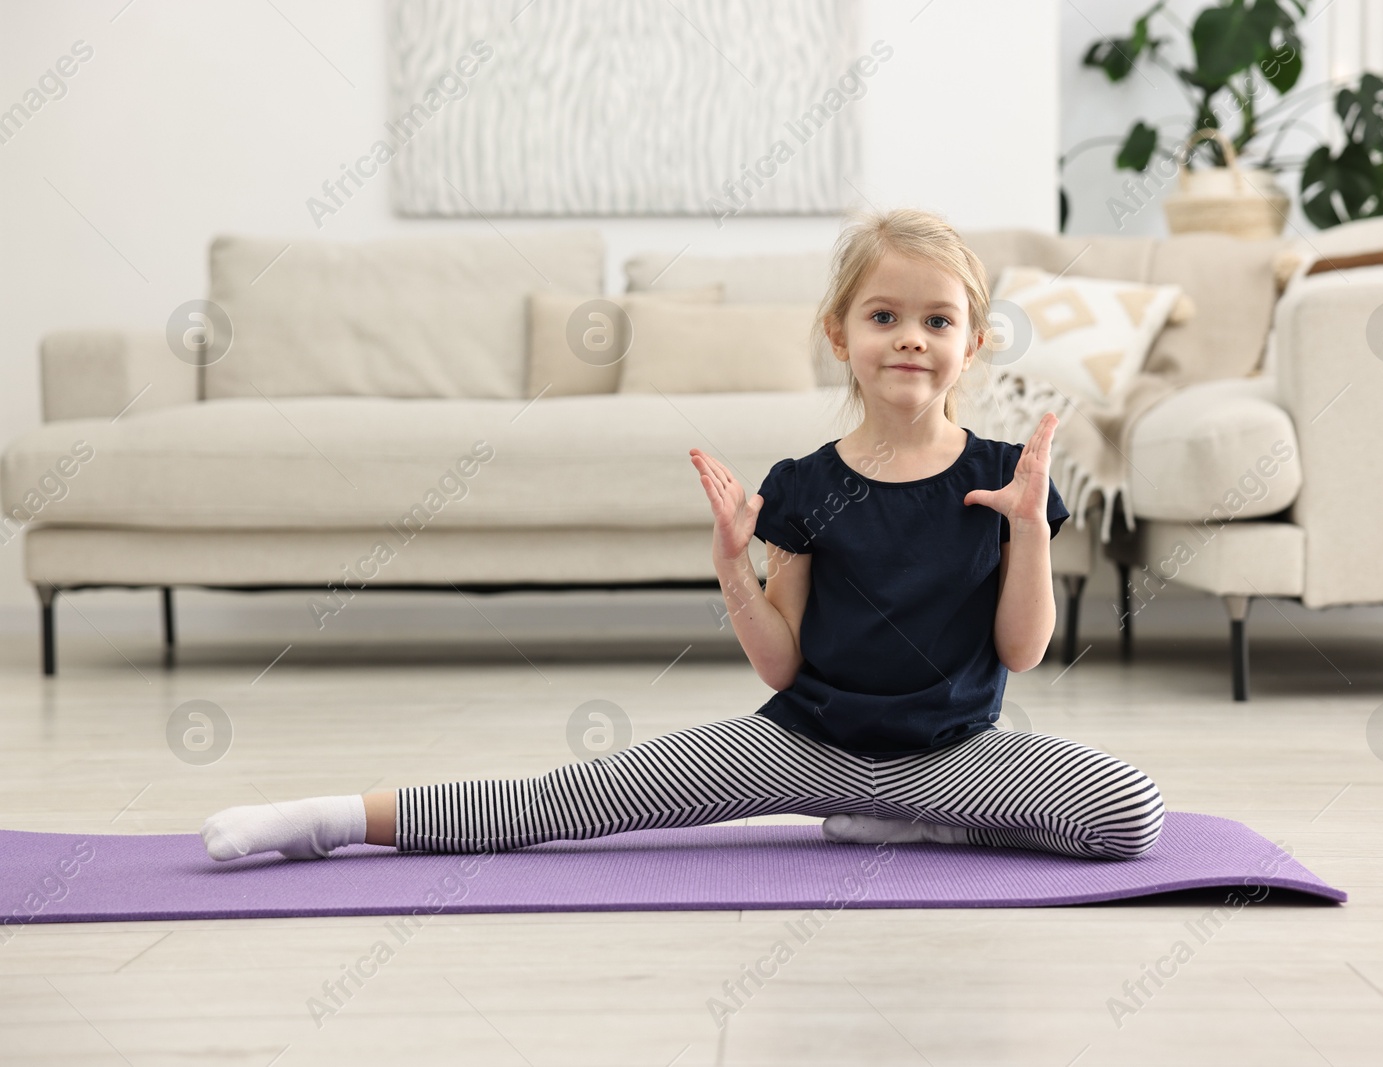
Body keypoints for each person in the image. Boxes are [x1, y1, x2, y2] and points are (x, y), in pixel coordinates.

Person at [200, 207, 1165, 864]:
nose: (910, 337)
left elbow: (1023, 652)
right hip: (807, 744)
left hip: (954, 748)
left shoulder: (1004, 475)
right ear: (841, 335)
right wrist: (732, 569)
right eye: (885, 316)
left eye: (936, 319)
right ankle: (325, 820)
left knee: (1133, 811)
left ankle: (907, 813)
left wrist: (1031, 528)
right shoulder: (804, 486)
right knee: (571, 795)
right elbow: (782, 669)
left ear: (974, 340)